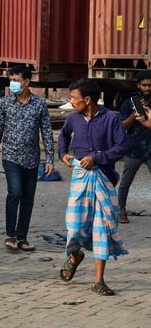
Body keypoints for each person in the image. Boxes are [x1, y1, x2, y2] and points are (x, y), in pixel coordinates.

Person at [58, 78, 129, 296]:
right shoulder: (73, 118)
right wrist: (64, 154)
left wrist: (98, 157)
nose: (71, 102)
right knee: (75, 226)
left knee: (102, 229)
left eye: (73, 98)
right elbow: (62, 137)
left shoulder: (111, 119)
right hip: (80, 179)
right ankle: (75, 256)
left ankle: (99, 280)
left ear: (87, 100)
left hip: (104, 179)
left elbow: (123, 146)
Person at [0, 66, 54, 252]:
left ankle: (22, 237)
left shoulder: (39, 104)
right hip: (10, 156)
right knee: (15, 192)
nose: (13, 84)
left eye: (17, 80)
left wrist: (50, 158)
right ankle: (10, 234)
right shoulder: (4, 103)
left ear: (27, 81)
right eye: (11, 80)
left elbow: (47, 132)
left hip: (32, 158)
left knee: (28, 199)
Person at [117, 71, 151, 223]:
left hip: (150, 149)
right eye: (144, 85)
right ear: (138, 85)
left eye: (150, 85)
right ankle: (121, 210)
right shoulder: (129, 103)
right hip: (133, 148)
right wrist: (134, 113)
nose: (147, 88)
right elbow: (122, 126)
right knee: (126, 181)